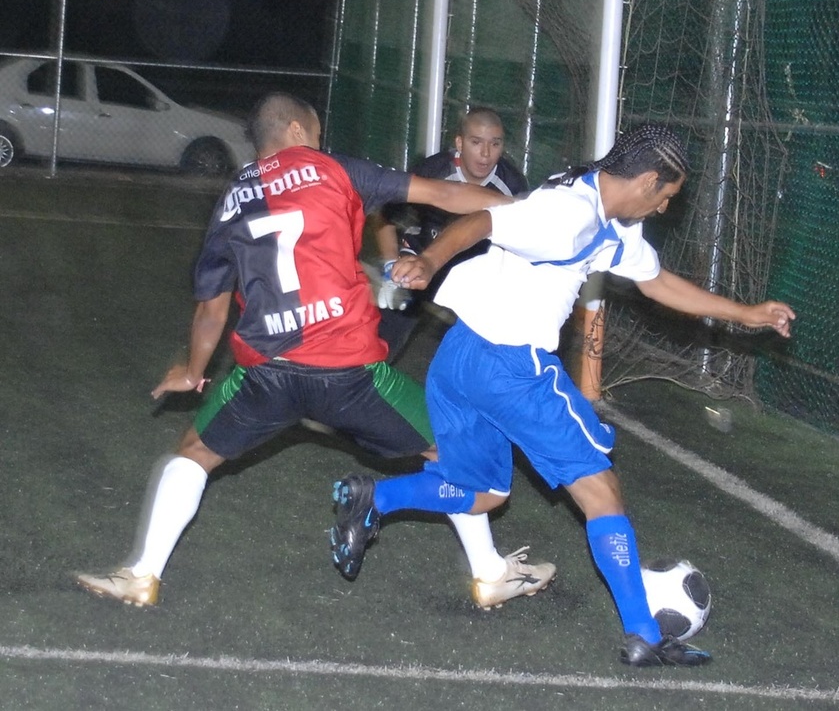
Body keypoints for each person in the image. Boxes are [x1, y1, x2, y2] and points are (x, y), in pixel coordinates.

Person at [329, 124, 796, 666]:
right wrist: (430, 261)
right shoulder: (568, 214)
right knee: (601, 492)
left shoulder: (609, 220)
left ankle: (373, 499)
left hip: (459, 358)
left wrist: (746, 314)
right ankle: (644, 633)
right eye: (666, 195)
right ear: (647, 181)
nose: (665, 207)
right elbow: (485, 221)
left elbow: (656, 281)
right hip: (512, 369)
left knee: (482, 493)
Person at [74, 92, 554, 608]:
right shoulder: (336, 169)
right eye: (318, 134)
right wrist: (536, 212)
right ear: (298, 132)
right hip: (349, 373)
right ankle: (490, 573)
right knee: (455, 449)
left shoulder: (233, 197)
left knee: (193, 453)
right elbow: (445, 193)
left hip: (266, 373)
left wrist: (192, 371)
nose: (321, 143)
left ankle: (141, 575)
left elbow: (211, 309)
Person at [371, 107, 529, 360]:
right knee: (385, 333)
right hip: (422, 259)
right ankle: (365, 374)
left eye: (495, 144)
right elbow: (385, 213)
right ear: (459, 143)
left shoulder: (512, 185)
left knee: (489, 348)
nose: (485, 153)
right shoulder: (431, 171)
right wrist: (390, 264)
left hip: (475, 271)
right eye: (476, 142)